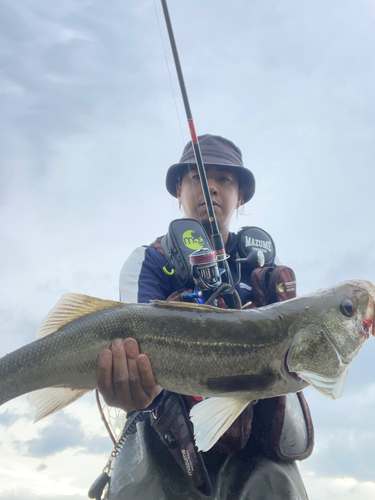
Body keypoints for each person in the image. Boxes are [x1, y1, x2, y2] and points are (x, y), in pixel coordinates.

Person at [96, 135, 313, 500]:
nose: (211, 187)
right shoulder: (149, 261)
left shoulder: (263, 269)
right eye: (196, 177)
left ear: (240, 196)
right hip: (164, 433)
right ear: (177, 191)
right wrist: (129, 385)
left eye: (225, 179)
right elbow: (130, 345)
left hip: (254, 441)